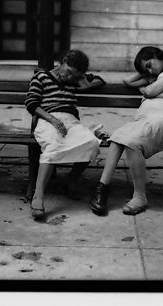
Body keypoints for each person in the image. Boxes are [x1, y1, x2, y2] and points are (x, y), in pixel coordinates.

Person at [89, 46, 163, 216]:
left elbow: (150, 92)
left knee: (132, 142)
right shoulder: (154, 78)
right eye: (146, 68)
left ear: (159, 56)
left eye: (150, 64)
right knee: (118, 137)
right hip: (147, 120)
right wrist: (144, 72)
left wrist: (146, 86)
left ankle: (139, 196)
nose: (149, 70)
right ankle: (102, 188)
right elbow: (127, 82)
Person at [25, 49, 104, 222]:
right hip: (47, 119)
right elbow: (31, 103)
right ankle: (38, 195)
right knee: (53, 145)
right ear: (61, 62)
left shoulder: (74, 80)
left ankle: (71, 179)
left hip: (70, 120)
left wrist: (83, 80)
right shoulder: (41, 77)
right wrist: (52, 119)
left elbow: (99, 80)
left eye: (73, 75)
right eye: (68, 72)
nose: (68, 77)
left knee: (91, 142)